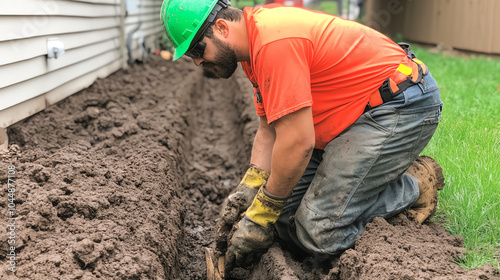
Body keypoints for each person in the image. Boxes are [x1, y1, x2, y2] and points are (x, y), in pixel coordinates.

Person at [160, 0, 445, 272]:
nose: (197, 62)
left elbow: (297, 143)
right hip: (352, 115)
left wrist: (262, 211)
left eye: (197, 50)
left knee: (319, 232)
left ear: (222, 28)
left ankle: (415, 184)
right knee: (284, 218)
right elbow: (269, 129)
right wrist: (250, 188)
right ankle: (370, 176)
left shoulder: (274, 44)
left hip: (397, 105)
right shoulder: (253, 49)